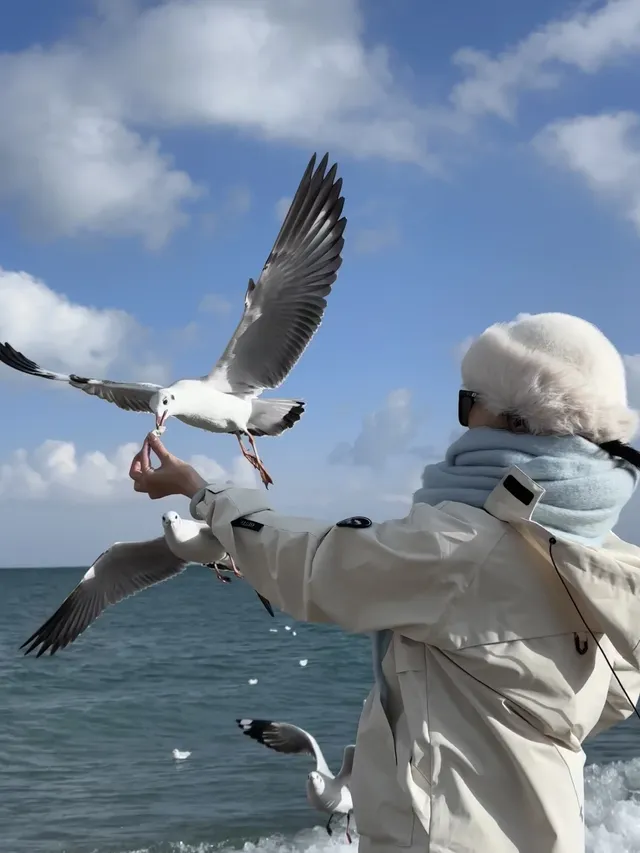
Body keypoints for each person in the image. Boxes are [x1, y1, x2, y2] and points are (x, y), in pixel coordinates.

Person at [129, 312, 640, 853]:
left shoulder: (465, 544)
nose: (464, 423)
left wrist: (204, 493)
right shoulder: (608, 560)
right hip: (549, 827)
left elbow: (313, 567)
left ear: (517, 422)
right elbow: (613, 693)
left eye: (469, 403)